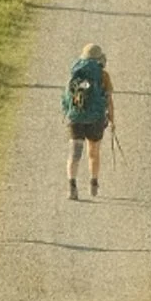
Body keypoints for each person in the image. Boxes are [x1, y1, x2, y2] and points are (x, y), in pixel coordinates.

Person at [63, 44, 116, 198]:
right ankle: (93, 183)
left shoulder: (76, 74)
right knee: (93, 152)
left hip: (76, 118)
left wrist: (68, 113)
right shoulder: (103, 76)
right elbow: (109, 100)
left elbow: (67, 98)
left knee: (74, 154)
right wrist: (112, 120)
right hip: (95, 119)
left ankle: (72, 187)